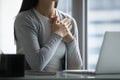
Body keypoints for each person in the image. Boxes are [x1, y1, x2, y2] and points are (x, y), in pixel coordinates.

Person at [14, 0, 82, 72]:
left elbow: (75, 68)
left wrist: (70, 40)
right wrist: (58, 34)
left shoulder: (69, 21)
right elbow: (37, 65)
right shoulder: (25, 19)